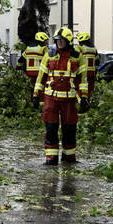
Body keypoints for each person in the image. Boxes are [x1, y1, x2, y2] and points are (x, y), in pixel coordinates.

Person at [33, 27, 88, 165]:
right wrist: (35, 95)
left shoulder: (77, 57)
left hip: (69, 100)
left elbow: (82, 80)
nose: (59, 43)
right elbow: (41, 76)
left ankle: (69, 157)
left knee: (69, 129)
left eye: (62, 41)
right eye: (57, 41)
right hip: (51, 98)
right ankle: (51, 157)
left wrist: (84, 99)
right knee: (51, 128)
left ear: (68, 41)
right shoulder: (50, 55)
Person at [20, 32, 50, 100]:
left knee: (31, 89)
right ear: (42, 40)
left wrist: (18, 67)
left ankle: (31, 102)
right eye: (46, 41)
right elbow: (49, 59)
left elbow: (21, 59)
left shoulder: (28, 48)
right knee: (40, 89)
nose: (46, 43)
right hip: (40, 73)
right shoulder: (44, 49)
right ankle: (40, 103)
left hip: (29, 73)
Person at [75, 31, 99, 100]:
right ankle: (88, 103)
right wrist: (95, 71)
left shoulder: (79, 48)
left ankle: (80, 103)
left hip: (83, 72)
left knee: (80, 88)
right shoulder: (94, 49)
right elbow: (97, 62)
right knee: (90, 90)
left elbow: (76, 59)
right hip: (92, 73)